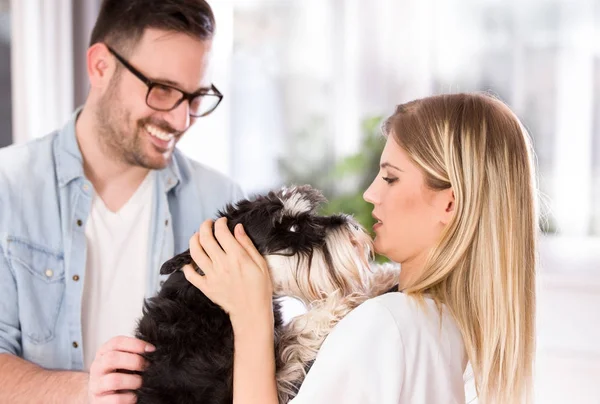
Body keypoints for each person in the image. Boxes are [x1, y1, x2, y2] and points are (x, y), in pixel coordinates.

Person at [183, 93, 538, 404]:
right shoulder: (446, 325)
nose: (370, 194)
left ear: (449, 204)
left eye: (390, 177)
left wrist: (251, 318)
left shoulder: (384, 324)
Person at [0, 1, 243, 403]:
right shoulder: (8, 187)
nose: (181, 120)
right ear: (100, 67)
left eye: (195, 97)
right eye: (162, 89)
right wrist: (85, 391)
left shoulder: (222, 204)